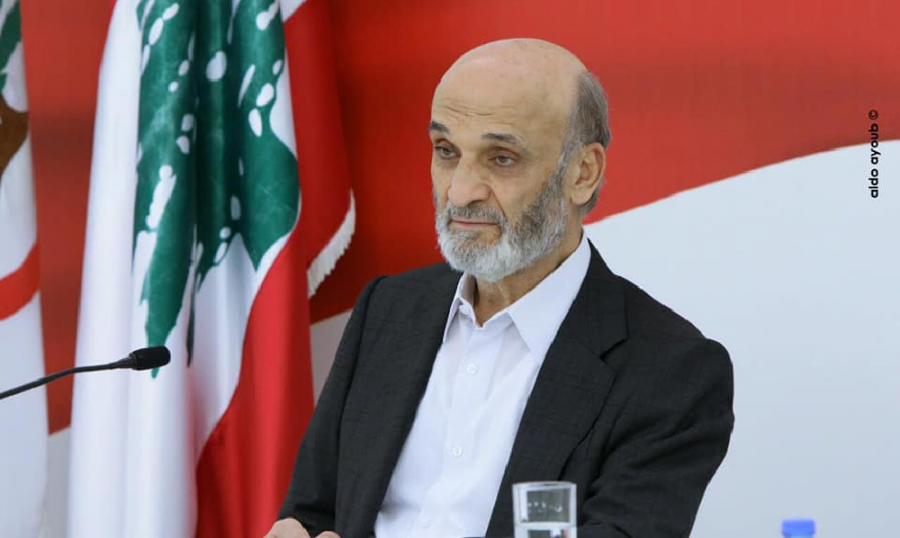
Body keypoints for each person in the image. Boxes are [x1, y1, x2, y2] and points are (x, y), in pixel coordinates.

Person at [264, 38, 734, 538]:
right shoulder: (387, 309)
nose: (460, 191)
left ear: (582, 173)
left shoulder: (671, 370)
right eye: (446, 151)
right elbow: (313, 512)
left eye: (502, 158)